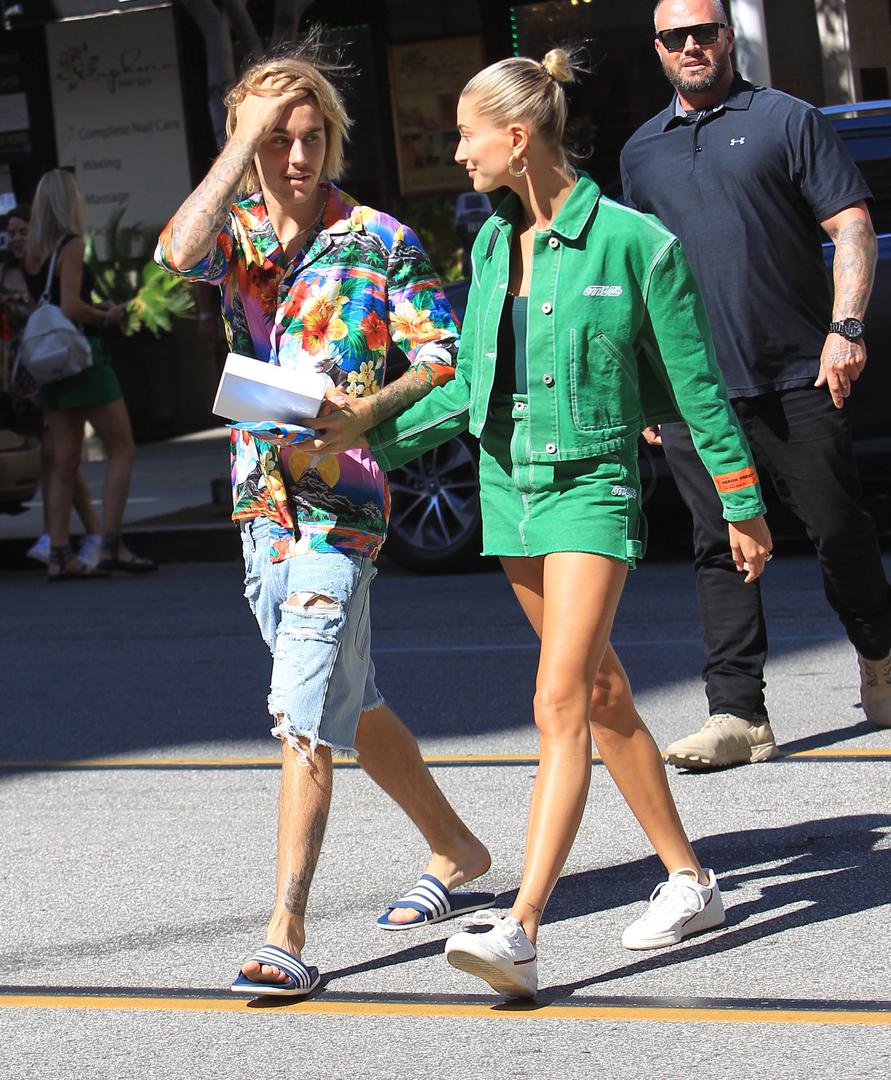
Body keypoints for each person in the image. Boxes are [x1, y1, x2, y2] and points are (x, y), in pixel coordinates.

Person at [301, 48, 773, 999]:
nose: (456, 151)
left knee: (556, 700)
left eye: (466, 135)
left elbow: (696, 387)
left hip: (591, 485)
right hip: (508, 490)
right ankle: (690, 880)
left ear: (516, 139)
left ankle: (519, 926)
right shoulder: (489, 246)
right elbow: (468, 390)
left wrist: (741, 502)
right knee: (599, 691)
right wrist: (358, 442)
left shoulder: (635, 244)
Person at [155, 42, 492, 998]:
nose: (297, 155)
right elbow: (177, 254)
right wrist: (242, 142)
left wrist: (366, 413)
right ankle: (455, 846)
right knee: (349, 695)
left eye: (310, 136)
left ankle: (286, 930)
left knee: (300, 704)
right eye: (277, 139)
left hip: (343, 502)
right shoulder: (236, 238)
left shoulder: (377, 239)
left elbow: (440, 352)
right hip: (260, 498)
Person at [620, 0, 891, 768]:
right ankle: (736, 714)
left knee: (837, 527)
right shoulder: (640, 152)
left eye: (703, 32)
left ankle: (879, 654)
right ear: (657, 48)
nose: (690, 46)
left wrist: (845, 328)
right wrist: (646, 383)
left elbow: (850, 225)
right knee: (718, 547)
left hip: (795, 372)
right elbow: (638, 278)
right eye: (674, 36)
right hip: (694, 393)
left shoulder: (786, 120)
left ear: (727, 37)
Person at [24, 170, 157, 579]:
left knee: (63, 461)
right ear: (69, 203)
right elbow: (70, 307)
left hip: (48, 363)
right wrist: (107, 315)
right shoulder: (71, 245)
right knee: (123, 448)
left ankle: (59, 553)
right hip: (82, 357)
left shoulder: (32, 251)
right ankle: (111, 544)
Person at [1, 204, 105, 569]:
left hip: (41, 370)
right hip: (15, 375)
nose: (16, 238)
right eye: (11, 233)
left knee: (57, 454)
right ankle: (71, 536)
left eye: (22, 231)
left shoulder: (41, 268)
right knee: (56, 456)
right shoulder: (11, 272)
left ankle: (74, 536)